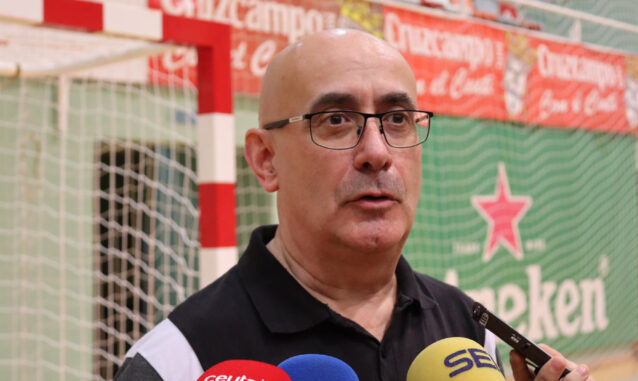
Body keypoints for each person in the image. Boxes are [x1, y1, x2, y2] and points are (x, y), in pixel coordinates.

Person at [115, 28, 594, 381]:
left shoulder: (472, 333)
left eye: (398, 118)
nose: (377, 152)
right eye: (337, 119)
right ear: (266, 161)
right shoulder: (175, 361)